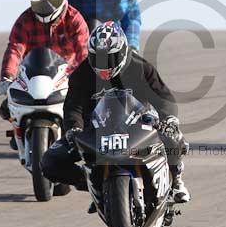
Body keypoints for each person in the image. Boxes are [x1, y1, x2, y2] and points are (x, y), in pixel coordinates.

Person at [41, 22, 191, 207]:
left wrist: (169, 119)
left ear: (122, 52)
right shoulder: (82, 74)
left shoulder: (140, 67)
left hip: (138, 126)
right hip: (96, 130)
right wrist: (74, 128)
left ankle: (175, 181)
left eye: (109, 58)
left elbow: (163, 97)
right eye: (97, 57)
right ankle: (94, 185)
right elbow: (73, 106)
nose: (103, 64)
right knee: (50, 161)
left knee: (174, 138)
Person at [0, 0, 90, 135]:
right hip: (31, 76)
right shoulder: (25, 19)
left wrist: (86, 79)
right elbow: (15, 49)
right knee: (6, 108)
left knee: (86, 110)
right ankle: (18, 130)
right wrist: (7, 77)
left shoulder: (74, 19)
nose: (45, 7)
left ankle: (77, 136)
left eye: (51, 2)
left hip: (66, 78)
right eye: (40, 3)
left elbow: (83, 52)